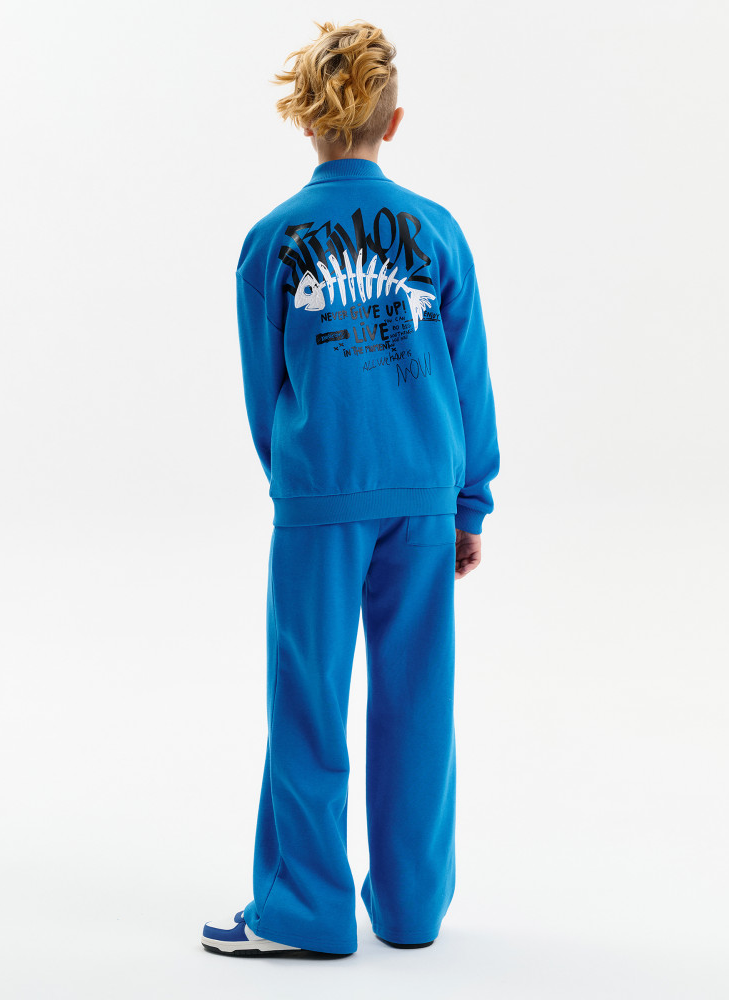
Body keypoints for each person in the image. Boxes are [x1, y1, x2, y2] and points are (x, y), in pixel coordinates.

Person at [201, 18, 500, 960]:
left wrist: (298, 480)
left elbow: (266, 392)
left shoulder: (270, 242)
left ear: (308, 121)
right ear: (393, 121)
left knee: (307, 698)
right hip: (423, 495)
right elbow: (469, 377)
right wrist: (469, 500)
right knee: (418, 700)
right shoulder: (437, 231)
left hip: (321, 497)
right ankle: (411, 912)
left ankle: (307, 911)